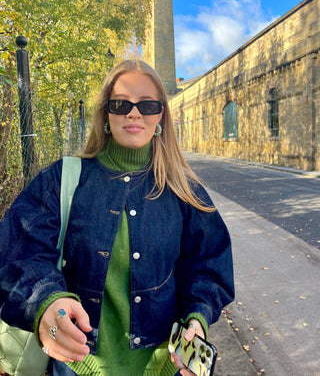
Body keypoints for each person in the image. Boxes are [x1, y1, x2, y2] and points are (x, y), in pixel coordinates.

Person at [0, 60, 234, 376]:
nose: (134, 113)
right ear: (106, 114)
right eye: (121, 104)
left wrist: (198, 318)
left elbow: (207, 266)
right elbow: (20, 254)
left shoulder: (184, 191)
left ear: (160, 115)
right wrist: (45, 301)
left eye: (147, 105)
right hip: (78, 365)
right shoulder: (61, 179)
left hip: (166, 366)